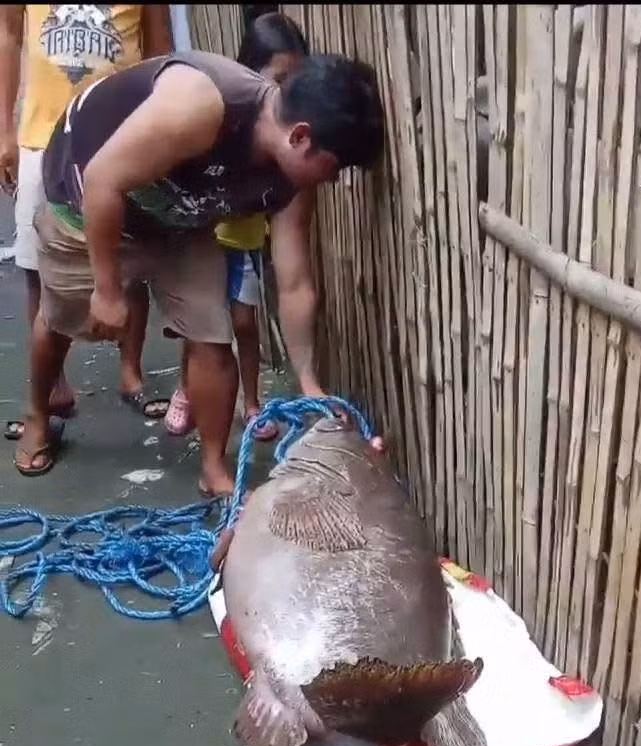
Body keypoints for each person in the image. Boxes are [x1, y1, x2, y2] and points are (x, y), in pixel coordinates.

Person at [14, 48, 386, 498]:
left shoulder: (293, 178)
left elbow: (294, 281)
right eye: (337, 166)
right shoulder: (198, 105)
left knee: (212, 336)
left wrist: (309, 383)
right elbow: (102, 180)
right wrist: (108, 288)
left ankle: (213, 466)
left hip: (182, 216)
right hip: (89, 197)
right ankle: (39, 414)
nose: (334, 180)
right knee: (59, 320)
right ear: (301, 137)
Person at [0, 5, 174, 438]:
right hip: (42, 136)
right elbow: (8, 35)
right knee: (36, 265)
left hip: (122, 137)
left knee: (129, 261)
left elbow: (159, 53)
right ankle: (53, 382)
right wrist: (4, 127)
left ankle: (130, 370)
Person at [164, 11, 309, 443]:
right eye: (279, 78)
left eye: (295, 82)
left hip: (244, 243)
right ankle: (186, 389)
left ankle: (251, 402)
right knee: (201, 327)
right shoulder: (219, 115)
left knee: (245, 324)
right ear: (250, 71)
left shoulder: (291, 141)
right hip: (205, 240)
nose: (286, 93)